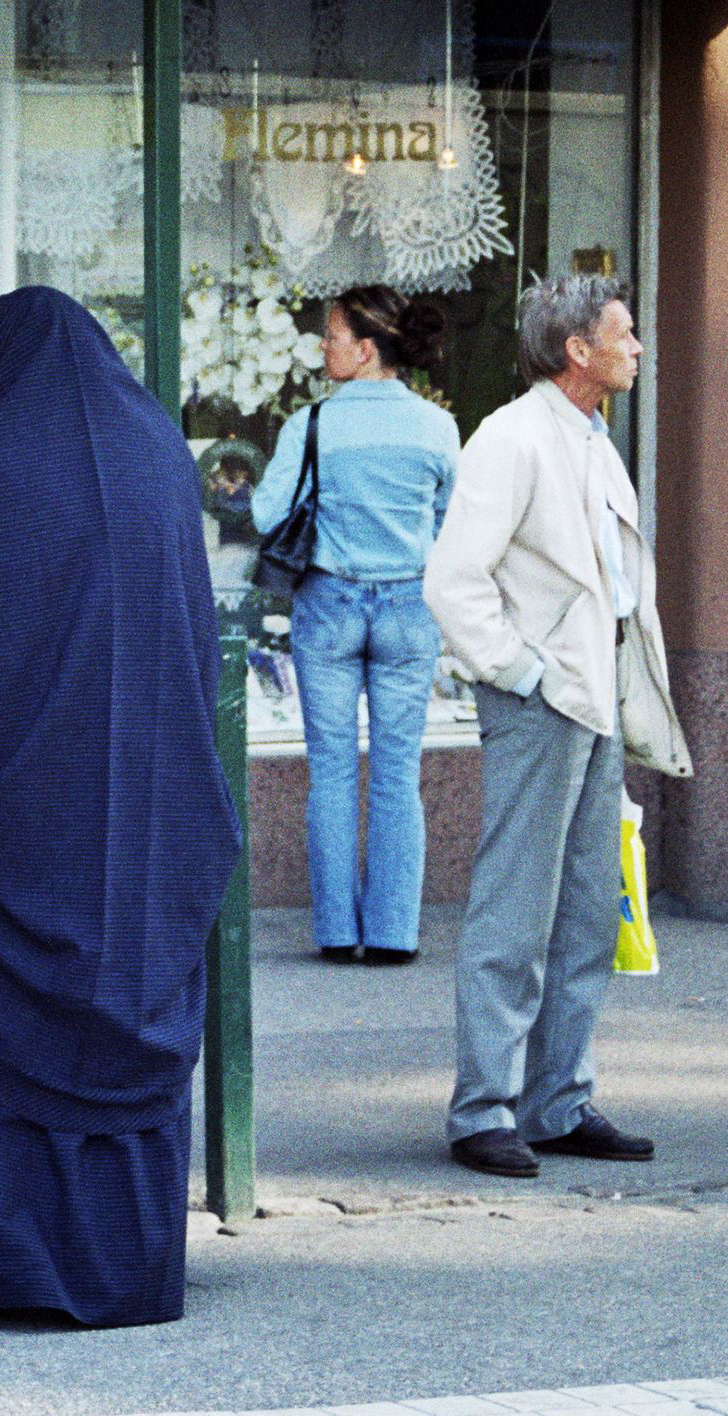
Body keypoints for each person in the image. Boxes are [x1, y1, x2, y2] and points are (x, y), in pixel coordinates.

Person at [0, 286, 240, 1328]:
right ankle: (125, 1265)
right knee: (119, 981)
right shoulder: (157, 454)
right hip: (149, 800)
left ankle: (3, 1269)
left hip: (24, 815)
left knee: (5, 1014)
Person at [424, 274, 690, 1180]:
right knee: (515, 910)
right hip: (547, 701)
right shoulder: (512, 438)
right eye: (626, 334)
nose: (638, 348)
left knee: (585, 912)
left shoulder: (585, 437)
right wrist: (522, 672)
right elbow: (453, 579)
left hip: (592, 698)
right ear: (577, 350)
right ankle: (484, 1111)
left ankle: (557, 1101)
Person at [250, 285, 460, 966]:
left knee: (332, 773)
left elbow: (264, 514)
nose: (324, 345)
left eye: (334, 334)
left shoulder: (311, 425)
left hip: (329, 607)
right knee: (399, 773)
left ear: (367, 348)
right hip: (408, 606)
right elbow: (453, 524)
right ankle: (396, 932)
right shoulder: (437, 427)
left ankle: (338, 932)